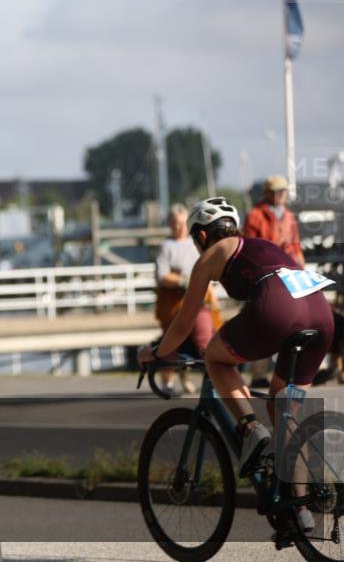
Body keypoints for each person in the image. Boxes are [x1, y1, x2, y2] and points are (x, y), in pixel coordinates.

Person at [139, 197, 334, 531]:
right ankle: (299, 506)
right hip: (320, 315)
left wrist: (157, 353)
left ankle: (248, 429)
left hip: (279, 309)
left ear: (201, 237)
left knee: (213, 355)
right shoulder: (262, 244)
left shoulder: (212, 255)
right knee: (283, 407)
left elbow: (184, 324)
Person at [244, 174, 306, 388]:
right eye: (278, 191)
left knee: (291, 324)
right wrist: (276, 247)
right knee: (261, 323)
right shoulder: (255, 216)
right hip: (267, 275)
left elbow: (296, 245)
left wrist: (302, 269)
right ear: (268, 192)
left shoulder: (289, 216)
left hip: (290, 274)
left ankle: (288, 372)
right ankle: (258, 373)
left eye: (284, 191)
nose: (282, 195)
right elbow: (253, 247)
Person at [153, 204, 220, 395]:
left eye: (183, 223)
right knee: (171, 342)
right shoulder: (166, 247)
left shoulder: (195, 244)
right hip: (173, 303)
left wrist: (211, 293)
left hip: (199, 300)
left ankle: (214, 378)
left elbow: (207, 271)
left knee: (204, 339)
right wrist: (184, 280)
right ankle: (168, 382)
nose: (179, 227)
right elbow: (162, 276)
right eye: (175, 223)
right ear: (170, 225)